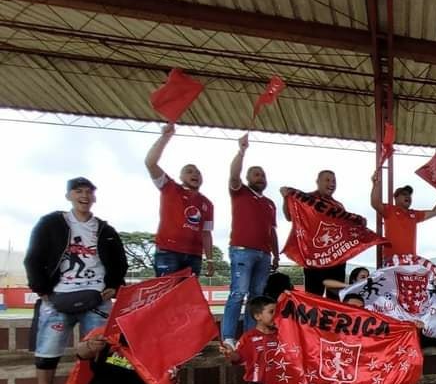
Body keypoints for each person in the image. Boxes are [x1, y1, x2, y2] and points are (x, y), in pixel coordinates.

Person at [24, 177, 127, 384]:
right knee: (47, 351)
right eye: (78, 191)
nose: (84, 196)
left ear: (94, 197)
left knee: (101, 348)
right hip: (58, 296)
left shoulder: (104, 229)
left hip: (95, 296)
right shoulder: (52, 223)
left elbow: (119, 261)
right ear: (69, 195)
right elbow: (34, 256)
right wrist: (42, 289)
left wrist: (113, 285)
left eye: (89, 192)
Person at [221, 135, 279, 347]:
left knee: (256, 297)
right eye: (256, 174)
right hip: (242, 250)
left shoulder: (270, 204)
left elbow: (272, 231)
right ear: (248, 178)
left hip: (264, 254)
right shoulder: (240, 192)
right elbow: (233, 174)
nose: (260, 177)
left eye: (263, 175)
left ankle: (249, 336)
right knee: (238, 293)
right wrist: (242, 151)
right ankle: (228, 337)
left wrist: (276, 254)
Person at [145, 123, 215, 277]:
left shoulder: (207, 204)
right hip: (168, 252)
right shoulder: (170, 187)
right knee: (167, 296)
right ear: (181, 177)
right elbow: (150, 163)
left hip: (194, 255)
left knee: (187, 297)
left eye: (198, 172)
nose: (195, 174)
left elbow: (206, 233)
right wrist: (165, 137)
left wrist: (210, 260)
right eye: (189, 171)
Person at [280, 170, 351, 298]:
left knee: (334, 298)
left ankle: (332, 318)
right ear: (318, 182)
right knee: (313, 296)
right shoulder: (305, 199)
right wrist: (286, 198)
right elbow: (289, 216)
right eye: (327, 180)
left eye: (334, 181)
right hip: (314, 257)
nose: (332, 183)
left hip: (336, 260)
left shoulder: (339, 206)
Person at [369, 172, 436, 260]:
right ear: (396, 197)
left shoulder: (414, 214)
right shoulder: (390, 210)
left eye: (409, 195)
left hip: (411, 260)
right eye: (404, 194)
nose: (408, 196)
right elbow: (375, 203)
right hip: (392, 259)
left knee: (432, 270)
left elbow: (435, 212)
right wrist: (376, 184)